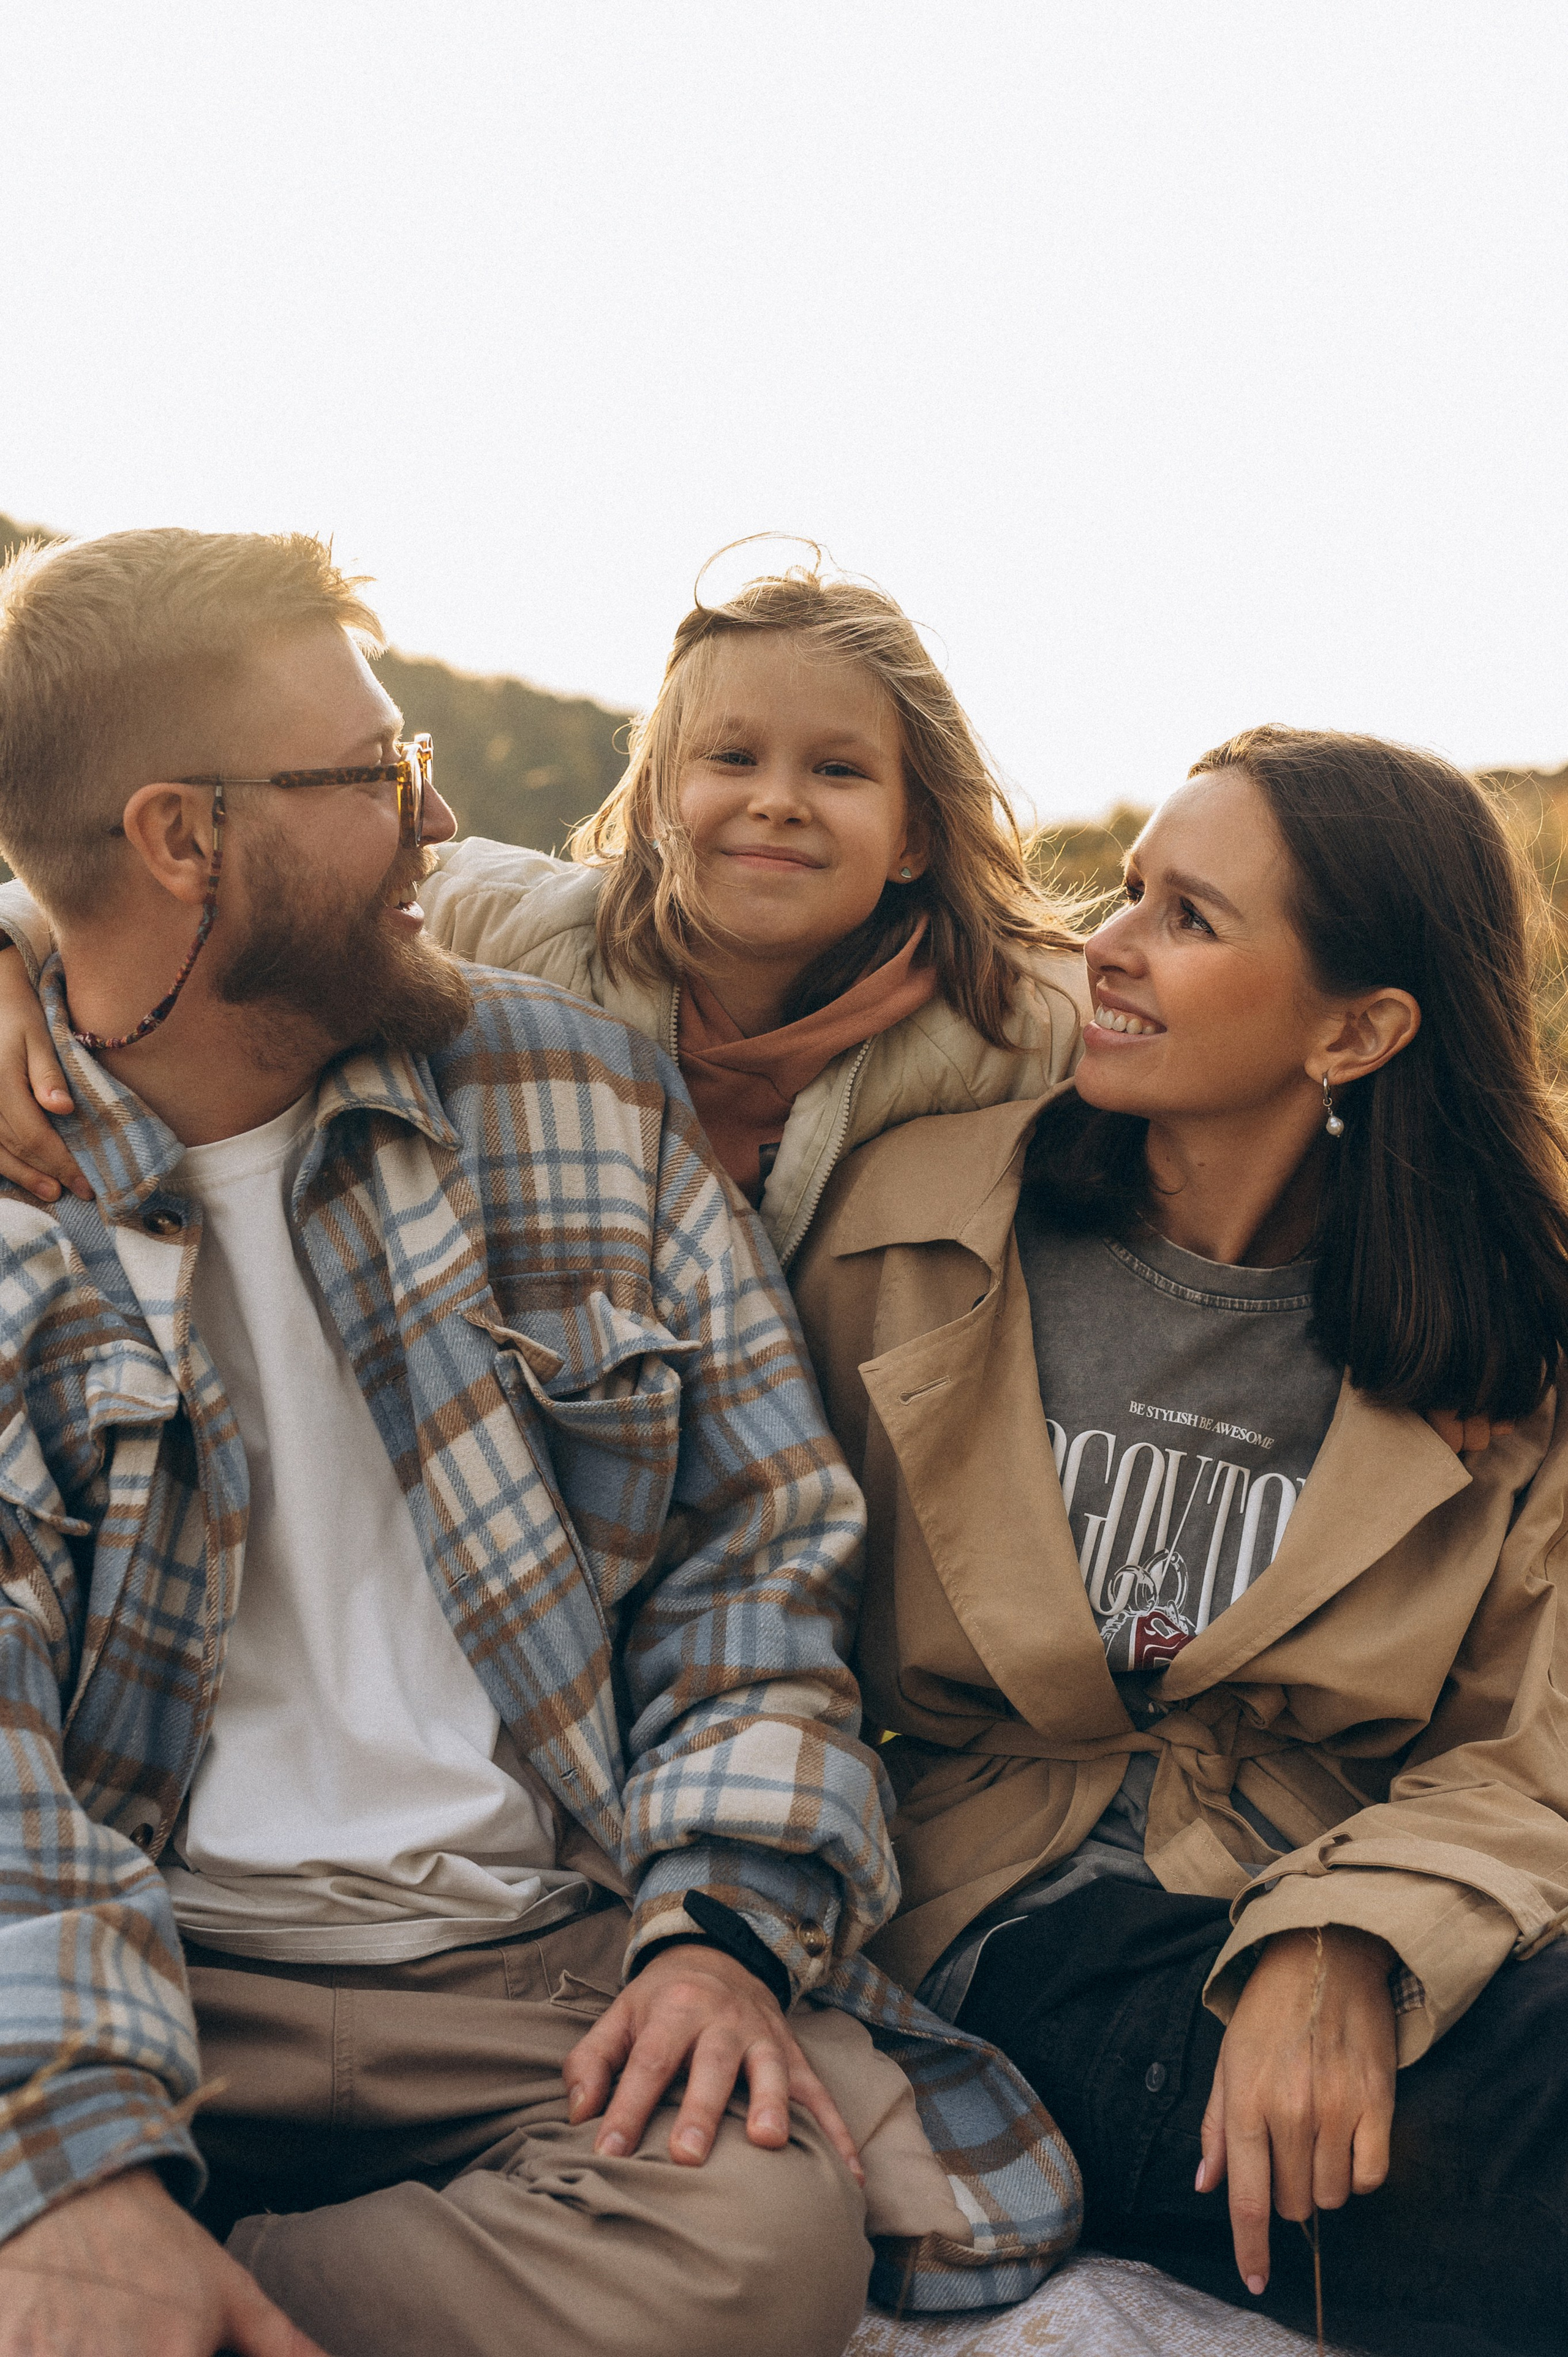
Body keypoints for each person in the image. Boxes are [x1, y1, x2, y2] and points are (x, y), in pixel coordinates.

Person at [0, 529, 1077, 2357]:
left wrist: (715, 1934)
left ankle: (166, 2303)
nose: (436, 820)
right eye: (379, 776)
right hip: (139, 1953)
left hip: (527, 1962)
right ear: (181, 837)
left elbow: (760, 1555)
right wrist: (72, 2155)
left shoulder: (570, 1088)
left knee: (759, 2240)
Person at [790, 725, 1568, 2357]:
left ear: (1357, 1031)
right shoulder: (910, 1230)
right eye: (1130, 888)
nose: (1112, 944)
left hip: (1333, 1912)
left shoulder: (1506, 1332)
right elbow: (752, 1603)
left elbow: (1527, 1751)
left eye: (1189, 917)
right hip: (996, 1926)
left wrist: (1345, 1932)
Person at [0, 551, 1091, 1267]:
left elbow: (1149, 1014)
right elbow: (183, 889)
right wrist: (8, 949)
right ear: (654, 798)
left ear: (914, 837)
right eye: (731, 758)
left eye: (839, 771)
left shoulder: (1006, 1016)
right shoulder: (524, 927)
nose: (778, 801)